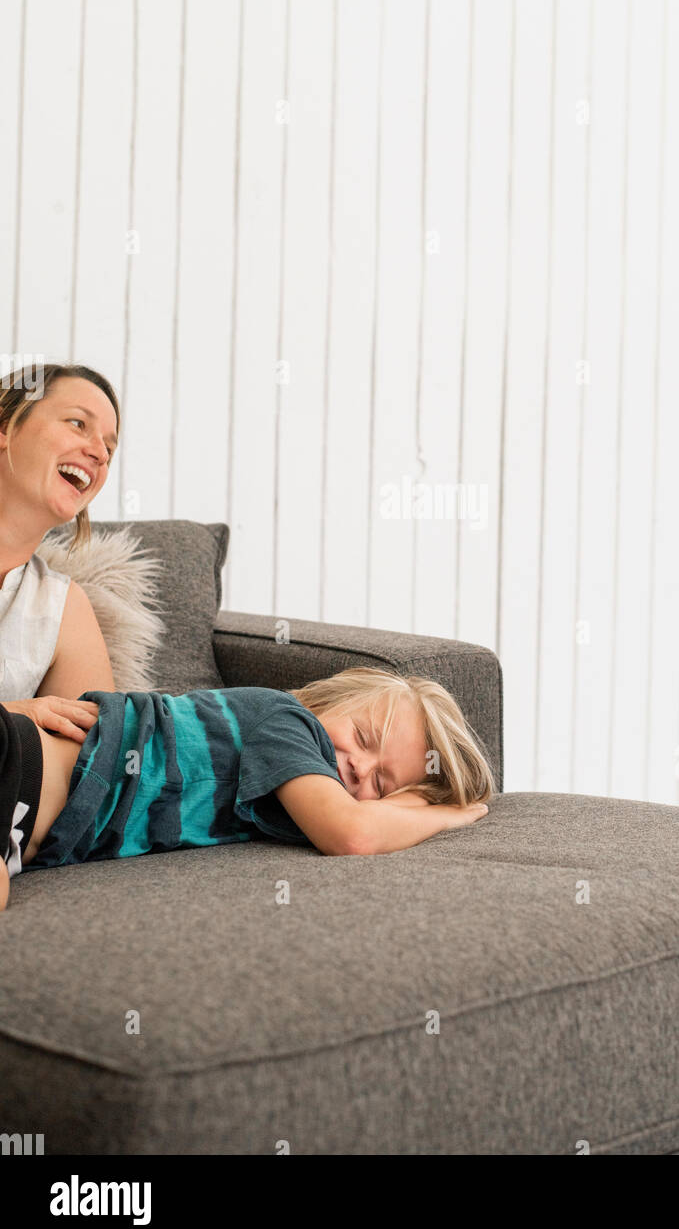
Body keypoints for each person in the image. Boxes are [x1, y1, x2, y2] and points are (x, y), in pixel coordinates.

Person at [0, 665, 493, 909]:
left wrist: (416, 800)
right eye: (362, 738)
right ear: (328, 703)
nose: (361, 768)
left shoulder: (284, 800)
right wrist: (446, 815)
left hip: (21, 832)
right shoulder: (285, 722)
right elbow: (353, 834)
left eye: (382, 784)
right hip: (19, 765)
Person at [0, 362, 120, 745]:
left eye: (110, 448)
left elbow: (94, 758)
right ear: (4, 426)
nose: (100, 454)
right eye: (77, 423)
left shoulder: (63, 606)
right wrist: (15, 718)